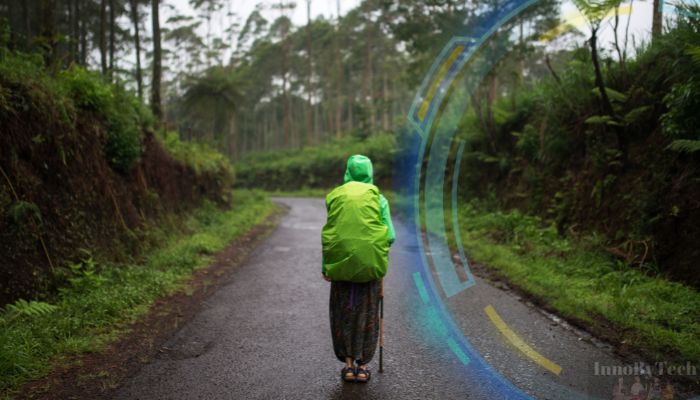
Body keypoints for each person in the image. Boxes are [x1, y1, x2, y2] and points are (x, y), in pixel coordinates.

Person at [321, 155, 396, 383]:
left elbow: (331, 235)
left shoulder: (335, 196)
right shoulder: (379, 199)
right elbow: (390, 236)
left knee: (344, 312)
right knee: (367, 311)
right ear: (370, 172)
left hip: (340, 267)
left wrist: (327, 266)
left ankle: (348, 365)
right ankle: (362, 367)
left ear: (347, 172)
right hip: (370, 267)